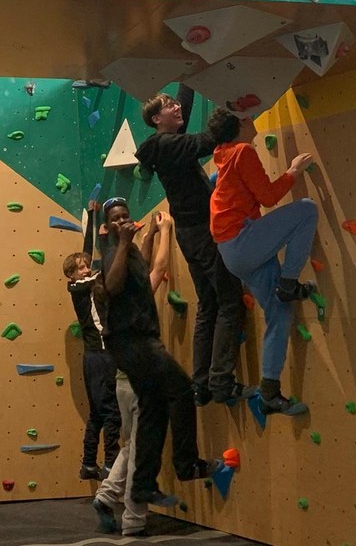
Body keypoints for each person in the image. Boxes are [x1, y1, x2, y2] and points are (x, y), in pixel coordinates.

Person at [99, 197, 221, 505]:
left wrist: (151, 235)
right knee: (181, 389)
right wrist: (124, 242)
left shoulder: (130, 251)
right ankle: (187, 464)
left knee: (154, 408)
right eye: (115, 219)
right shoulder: (112, 252)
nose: (122, 221)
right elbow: (112, 286)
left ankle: (142, 485)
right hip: (133, 342)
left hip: (138, 341)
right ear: (108, 227)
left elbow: (142, 274)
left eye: (125, 215)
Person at [136, 84, 248, 407]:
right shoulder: (170, 145)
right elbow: (209, 139)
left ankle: (201, 384)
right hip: (201, 232)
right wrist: (235, 108)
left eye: (175, 104)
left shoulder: (164, 144)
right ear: (157, 119)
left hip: (190, 233)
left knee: (209, 304)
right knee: (230, 300)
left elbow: (183, 106)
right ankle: (221, 382)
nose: (177, 108)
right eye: (169, 106)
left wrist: (190, 77)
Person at [207, 108, 318, 416]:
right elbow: (268, 197)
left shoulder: (225, 153)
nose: (251, 119)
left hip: (233, 252)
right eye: (245, 117)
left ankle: (269, 392)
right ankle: (289, 283)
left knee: (280, 311)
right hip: (241, 241)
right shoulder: (241, 151)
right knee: (306, 210)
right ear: (239, 126)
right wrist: (292, 171)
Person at [93, 209, 173, 536]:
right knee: (142, 450)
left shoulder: (110, 293)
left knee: (132, 444)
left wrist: (149, 236)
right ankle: (134, 520)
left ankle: (106, 494)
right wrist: (166, 231)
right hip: (140, 383)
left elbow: (139, 266)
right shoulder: (127, 296)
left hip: (122, 383)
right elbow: (157, 269)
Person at [63, 246, 121, 480]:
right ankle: (111, 463)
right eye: (80, 268)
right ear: (71, 275)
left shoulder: (86, 287)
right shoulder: (77, 287)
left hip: (95, 357)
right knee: (111, 412)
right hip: (100, 356)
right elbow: (100, 277)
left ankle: (88, 463)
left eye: (87, 266)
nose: (86, 270)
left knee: (97, 412)